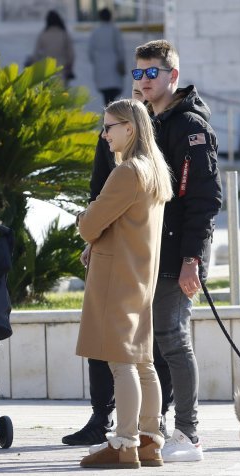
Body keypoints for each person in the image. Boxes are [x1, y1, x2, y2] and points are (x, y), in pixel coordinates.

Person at [62, 81, 174, 447]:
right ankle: (150, 438)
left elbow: (90, 223)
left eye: (108, 126)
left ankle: (125, 441)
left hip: (117, 277)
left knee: (121, 361)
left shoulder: (127, 172)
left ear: (129, 128)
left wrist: (86, 220)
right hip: (139, 274)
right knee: (142, 362)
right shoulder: (153, 170)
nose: (103, 134)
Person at [133, 39, 222, 462]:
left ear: (173, 75)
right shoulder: (149, 122)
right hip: (148, 251)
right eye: (138, 73)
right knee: (149, 344)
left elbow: (204, 199)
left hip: (178, 253)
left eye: (152, 72)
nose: (145, 80)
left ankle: (188, 434)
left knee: (171, 339)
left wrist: (193, 260)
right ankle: (157, 426)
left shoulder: (190, 125)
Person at [88, 8, 126, 106]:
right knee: (112, 93)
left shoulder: (96, 31)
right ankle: (111, 113)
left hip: (100, 65)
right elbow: (120, 49)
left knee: (105, 93)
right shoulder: (114, 30)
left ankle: (108, 113)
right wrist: (121, 61)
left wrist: (95, 61)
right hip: (114, 64)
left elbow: (90, 51)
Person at [29, 10, 75, 85]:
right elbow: (71, 54)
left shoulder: (43, 35)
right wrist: (70, 66)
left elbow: (36, 54)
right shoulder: (64, 34)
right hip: (62, 69)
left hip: (46, 70)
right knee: (62, 94)